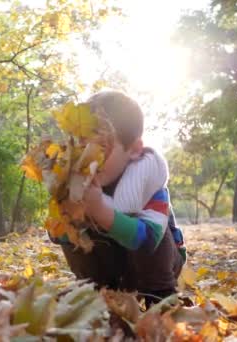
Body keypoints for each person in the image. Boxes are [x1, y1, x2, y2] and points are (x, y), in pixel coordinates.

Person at [51, 90, 185, 306]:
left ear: (133, 150)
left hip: (156, 265)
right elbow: (59, 235)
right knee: (72, 226)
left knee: (152, 232)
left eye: (101, 148)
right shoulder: (78, 181)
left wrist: (101, 211)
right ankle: (95, 288)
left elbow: (148, 240)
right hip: (111, 263)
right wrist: (66, 217)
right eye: (82, 146)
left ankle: (160, 295)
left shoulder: (147, 181)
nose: (88, 157)